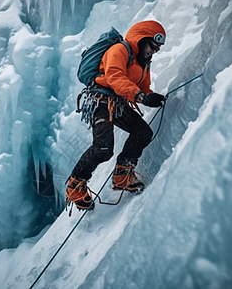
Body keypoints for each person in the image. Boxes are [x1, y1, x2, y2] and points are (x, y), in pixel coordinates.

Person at [67, 20, 167, 210]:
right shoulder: (120, 50)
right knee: (103, 149)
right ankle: (75, 186)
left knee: (143, 133)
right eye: (153, 46)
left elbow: (143, 86)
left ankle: (122, 174)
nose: (154, 51)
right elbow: (114, 77)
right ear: (142, 39)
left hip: (117, 103)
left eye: (157, 49)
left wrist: (150, 96)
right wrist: (141, 97)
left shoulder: (143, 62)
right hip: (100, 101)